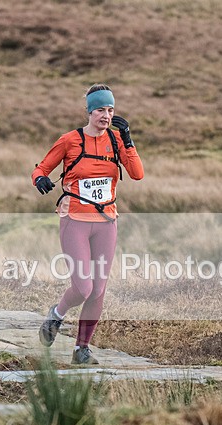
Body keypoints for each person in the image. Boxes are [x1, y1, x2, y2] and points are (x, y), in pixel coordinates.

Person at [32, 84, 144, 365]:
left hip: (106, 221)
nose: (106, 115)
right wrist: (40, 180)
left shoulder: (117, 141)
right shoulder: (70, 140)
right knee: (82, 288)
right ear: (89, 112)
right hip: (75, 221)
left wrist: (128, 140)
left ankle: (82, 349)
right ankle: (55, 316)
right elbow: (41, 168)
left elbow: (137, 174)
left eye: (110, 110)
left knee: (98, 290)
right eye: (100, 110)